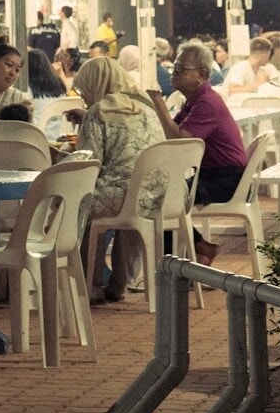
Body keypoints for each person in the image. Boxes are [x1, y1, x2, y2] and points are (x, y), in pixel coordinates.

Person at [72, 57, 165, 302]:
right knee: (128, 199)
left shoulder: (97, 113)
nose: (84, 97)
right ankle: (121, 282)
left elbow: (88, 163)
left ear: (96, 83)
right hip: (159, 195)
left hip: (120, 199)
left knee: (79, 203)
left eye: (84, 90)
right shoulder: (146, 106)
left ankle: (89, 284)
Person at [145, 40, 246, 267]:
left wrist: (158, 101)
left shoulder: (207, 102)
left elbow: (180, 140)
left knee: (164, 199)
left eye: (182, 69)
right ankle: (197, 251)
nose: (174, 73)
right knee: (165, 194)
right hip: (214, 173)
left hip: (227, 179)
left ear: (201, 74)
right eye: (175, 68)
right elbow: (170, 130)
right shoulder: (195, 100)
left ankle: (176, 267)